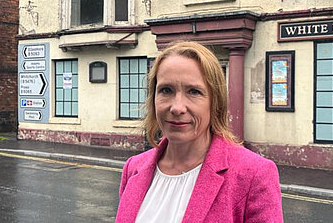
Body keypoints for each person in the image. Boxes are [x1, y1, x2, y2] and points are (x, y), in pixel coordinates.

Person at [116, 41, 283, 223]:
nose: (177, 107)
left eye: (194, 92)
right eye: (166, 90)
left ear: (215, 102)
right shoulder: (133, 168)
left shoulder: (253, 175)